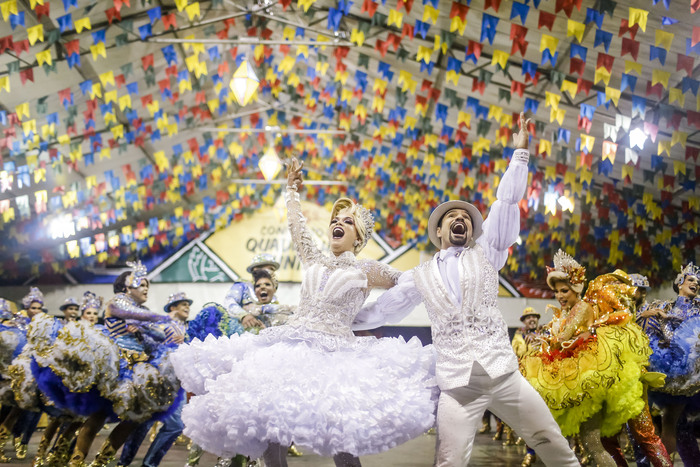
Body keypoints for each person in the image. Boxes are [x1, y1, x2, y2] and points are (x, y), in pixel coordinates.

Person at [172, 157, 437, 467]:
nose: (338, 223)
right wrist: (291, 190)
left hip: (334, 355)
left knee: (342, 437)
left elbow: (409, 282)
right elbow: (297, 228)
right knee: (274, 427)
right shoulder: (314, 259)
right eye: (336, 220)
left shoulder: (368, 269)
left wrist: (375, 313)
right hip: (289, 348)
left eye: (348, 221)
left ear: (360, 237)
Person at [353, 113, 577, 467]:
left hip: (504, 374)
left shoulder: (487, 252)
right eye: (451, 216)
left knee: (555, 447)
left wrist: (519, 155)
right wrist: (340, 320)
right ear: (439, 231)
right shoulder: (420, 275)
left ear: (472, 230)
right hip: (457, 386)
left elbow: (505, 203)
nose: (460, 218)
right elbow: (383, 310)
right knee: (448, 462)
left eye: (466, 218)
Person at [31, 261, 182, 467]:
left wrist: (158, 332)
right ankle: (75, 461)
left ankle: (100, 462)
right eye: (142, 285)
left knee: (135, 418)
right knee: (97, 415)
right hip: (114, 364)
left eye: (148, 285)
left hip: (138, 368)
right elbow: (139, 316)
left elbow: (155, 334)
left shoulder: (140, 309)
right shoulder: (117, 303)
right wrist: (164, 319)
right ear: (127, 286)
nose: (146, 289)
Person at [521, 254, 654, 467]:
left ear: (576, 289)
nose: (559, 296)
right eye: (556, 291)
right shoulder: (566, 312)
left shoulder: (581, 308)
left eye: (564, 290)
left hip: (587, 380)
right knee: (587, 442)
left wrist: (545, 340)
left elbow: (562, 339)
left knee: (592, 443)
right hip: (576, 378)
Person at [117, 292, 192, 467]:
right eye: (183, 304)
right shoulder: (163, 323)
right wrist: (142, 331)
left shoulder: (188, 329)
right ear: (173, 307)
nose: (187, 307)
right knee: (142, 423)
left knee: (176, 426)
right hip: (158, 380)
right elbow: (150, 344)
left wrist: (187, 340)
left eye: (188, 305)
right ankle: (123, 462)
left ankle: (149, 464)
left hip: (177, 385)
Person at [640, 262, 700, 464]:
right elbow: (648, 321)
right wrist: (650, 315)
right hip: (673, 367)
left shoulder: (697, 307)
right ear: (679, 283)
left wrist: (665, 318)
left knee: (674, 422)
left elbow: (687, 329)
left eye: (697, 281)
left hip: (691, 369)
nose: (695, 283)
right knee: (671, 422)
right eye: (691, 279)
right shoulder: (665, 305)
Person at [510, 307, 544, 467]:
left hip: (546, 383)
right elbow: (513, 357)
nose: (531, 319)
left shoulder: (546, 333)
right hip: (525, 384)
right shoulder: (518, 338)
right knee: (528, 420)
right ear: (523, 321)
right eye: (528, 317)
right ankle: (530, 452)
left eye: (534, 317)